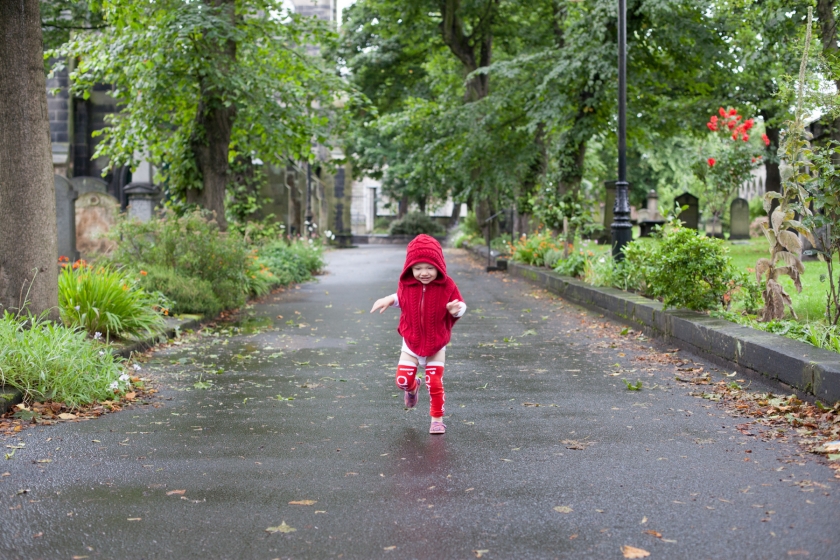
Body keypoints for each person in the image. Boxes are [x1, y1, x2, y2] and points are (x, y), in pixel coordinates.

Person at [370, 234, 467, 434]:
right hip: (411, 343)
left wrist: (455, 309)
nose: (424, 273)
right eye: (418, 268)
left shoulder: (447, 285)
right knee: (402, 381)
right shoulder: (406, 284)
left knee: (435, 382)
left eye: (430, 268)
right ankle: (413, 388)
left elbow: (460, 304)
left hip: (436, 344)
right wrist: (390, 299)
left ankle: (437, 420)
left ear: (439, 266)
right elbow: (403, 298)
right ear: (409, 268)